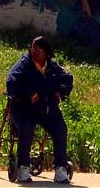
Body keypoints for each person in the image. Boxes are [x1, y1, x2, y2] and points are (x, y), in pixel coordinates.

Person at [6, 36, 74, 184]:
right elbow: (11, 82)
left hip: (47, 109)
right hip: (24, 108)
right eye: (32, 48)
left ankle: (61, 169)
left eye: (38, 49)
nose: (34, 52)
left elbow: (68, 78)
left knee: (60, 129)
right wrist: (29, 93)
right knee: (26, 127)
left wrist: (61, 92)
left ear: (46, 52)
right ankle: (23, 167)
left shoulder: (52, 65)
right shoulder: (24, 64)